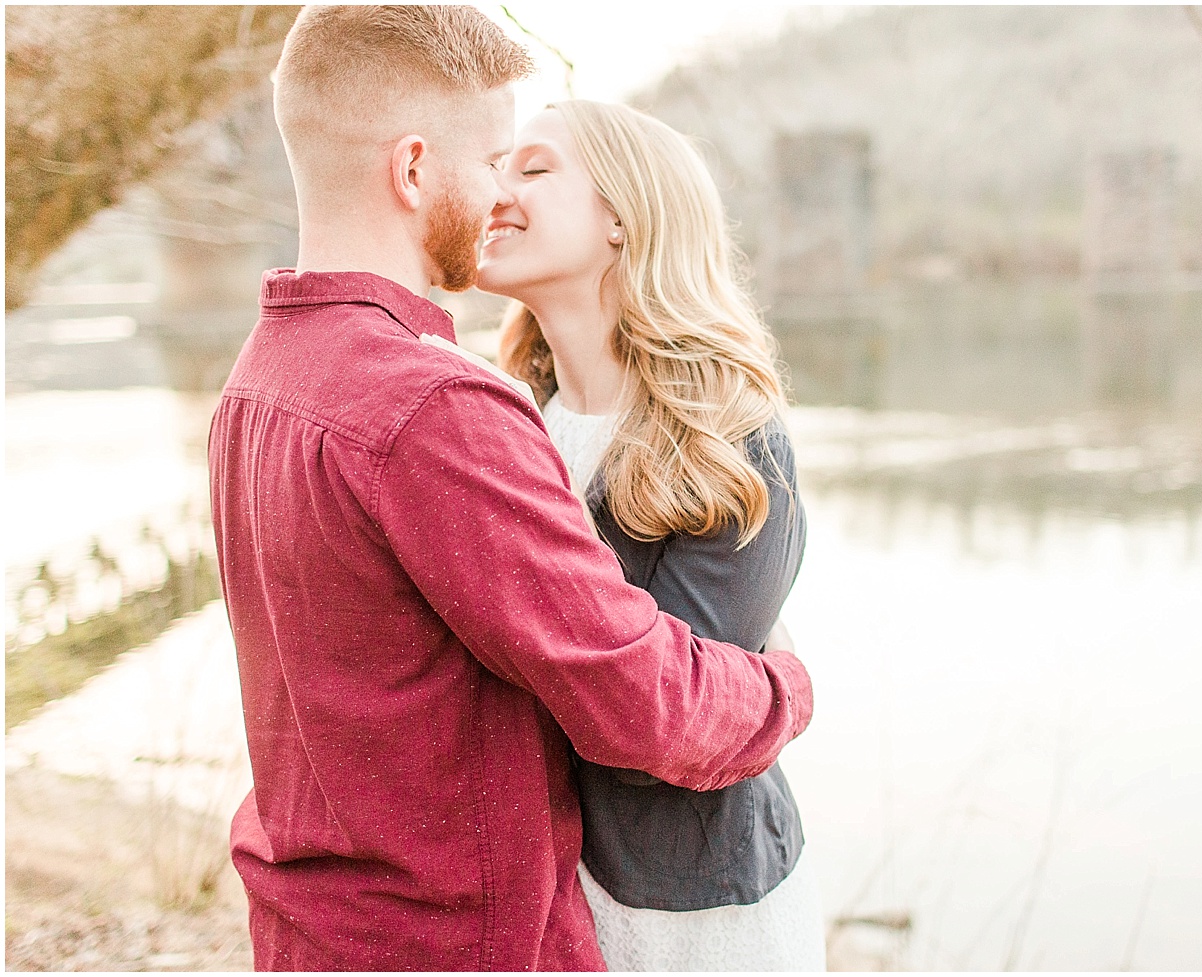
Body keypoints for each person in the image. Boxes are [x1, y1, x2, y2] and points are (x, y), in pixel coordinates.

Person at [207, 7, 813, 971]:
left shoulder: (259, 381)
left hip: (313, 928)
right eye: (495, 161)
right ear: (413, 170)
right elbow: (642, 701)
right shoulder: (434, 405)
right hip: (454, 937)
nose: (500, 193)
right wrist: (787, 685)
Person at [477, 100, 824, 971]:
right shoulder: (499, 423)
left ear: (623, 216)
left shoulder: (731, 436)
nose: (497, 189)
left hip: (691, 913)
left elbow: (655, 734)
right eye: (498, 165)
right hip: (539, 900)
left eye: (534, 168)